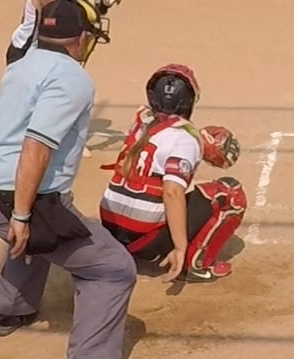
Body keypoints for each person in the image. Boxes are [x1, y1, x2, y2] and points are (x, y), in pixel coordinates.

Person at [0, 0, 141, 359]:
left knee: (43, 235)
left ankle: (11, 310)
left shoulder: (21, 65)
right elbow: (36, 146)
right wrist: (22, 215)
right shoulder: (73, 78)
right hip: (12, 197)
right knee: (112, 269)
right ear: (81, 39)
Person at [99, 65, 246, 283]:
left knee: (156, 182)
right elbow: (172, 192)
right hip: (145, 242)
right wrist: (179, 248)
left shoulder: (141, 121)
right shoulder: (185, 139)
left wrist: (198, 140)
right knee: (230, 192)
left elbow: (164, 134)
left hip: (111, 231)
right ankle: (195, 266)